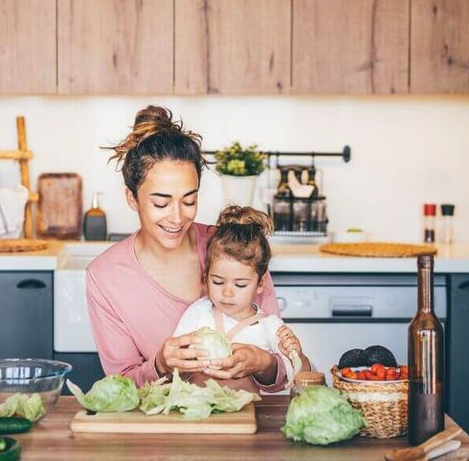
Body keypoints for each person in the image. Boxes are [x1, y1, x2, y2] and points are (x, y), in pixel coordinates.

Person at [86, 105, 305, 390]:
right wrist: (160, 365)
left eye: (189, 201)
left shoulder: (234, 246)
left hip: (241, 422)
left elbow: (280, 376)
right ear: (131, 198)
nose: (178, 218)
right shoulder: (105, 277)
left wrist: (263, 362)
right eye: (161, 203)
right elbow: (120, 386)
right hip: (161, 427)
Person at [172, 205, 309, 393]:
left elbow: (300, 374)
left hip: (245, 417)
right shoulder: (199, 311)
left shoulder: (269, 326)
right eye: (218, 282)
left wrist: (296, 353)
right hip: (197, 415)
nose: (228, 293)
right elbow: (175, 360)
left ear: (261, 284)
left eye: (240, 285)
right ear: (206, 278)